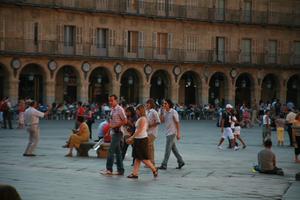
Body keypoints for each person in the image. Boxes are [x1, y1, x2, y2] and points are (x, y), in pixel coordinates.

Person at [126, 104, 158, 179]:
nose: (136, 111)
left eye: (137, 110)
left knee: (143, 158)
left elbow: (140, 130)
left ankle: (154, 169)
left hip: (141, 140)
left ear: (140, 110)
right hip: (139, 139)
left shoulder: (143, 119)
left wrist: (131, 137)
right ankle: (135, 174)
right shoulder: (141, 118)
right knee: (137, 158)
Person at [101, 95, 127, 176]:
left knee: (111, 150)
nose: (110, 102)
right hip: (113, 132)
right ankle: (121, 170)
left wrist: (115, 126)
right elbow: (111, 123)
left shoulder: (120, 109)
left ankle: (109, 169)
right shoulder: (112, 109)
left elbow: (125, 121)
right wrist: (108, 131)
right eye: (109, 101)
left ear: (116, 100)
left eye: (112, 100)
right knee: (118, 152)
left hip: (118, 132)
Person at [158, 99, 185, 170]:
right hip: (168, 132)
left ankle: (164, 164)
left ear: (169, 104)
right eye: (163, 104)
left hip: (172, 132)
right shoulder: (164, 112)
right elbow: (161, 121)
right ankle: (181, 161)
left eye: (165, 103)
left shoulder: (173, 112)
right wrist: (161, 113)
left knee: (167, 149)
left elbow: (177, 123)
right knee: (173, 149)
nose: (164, 105)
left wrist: (178, 133)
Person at [146, 98, 161, 165]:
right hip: (148, 132)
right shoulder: (147, 112)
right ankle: (151, 161)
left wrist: (150, 125)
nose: (147, 105)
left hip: (152, 132)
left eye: (148, 104)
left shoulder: (153, 112)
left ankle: (151, 162)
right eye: (146, 103)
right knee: (150, 147)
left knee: (149, 146)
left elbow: (158, 122)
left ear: (151, 104)